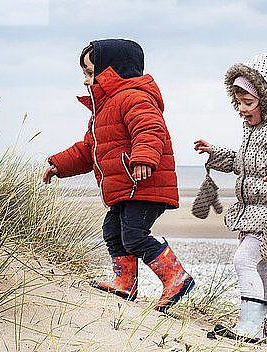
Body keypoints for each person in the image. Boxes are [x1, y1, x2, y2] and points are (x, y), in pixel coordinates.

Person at [44, 39, 194, 312]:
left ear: (113, 71)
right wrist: (60, 165)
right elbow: (90, 148)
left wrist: (144, 158)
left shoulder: (134, 96)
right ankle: (124, 282)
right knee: (112, 231)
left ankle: (175, 276)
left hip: (145, 183)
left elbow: (150, 129)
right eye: (85, 75)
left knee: (134, 235)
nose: (87, 81)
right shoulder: (102, 110)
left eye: (92, 72)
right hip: (126, 188)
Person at [194, 53, 267, 345]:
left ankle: (250, 326)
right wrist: (216, 154)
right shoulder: (254, 130)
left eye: (249, 103)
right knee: (266, 270)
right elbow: (244, 163)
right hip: (256, 213)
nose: (242, 110)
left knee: (243, 261)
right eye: (238, 104)